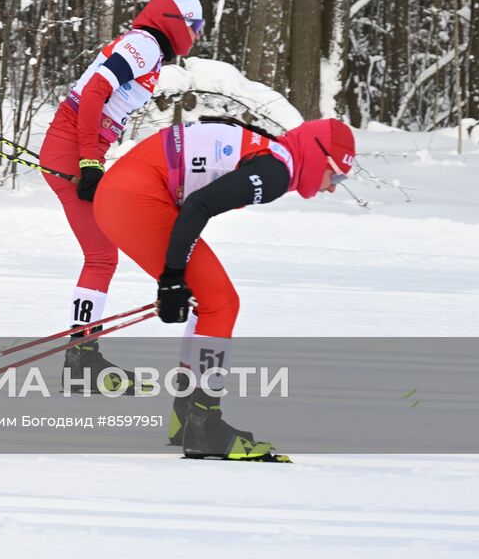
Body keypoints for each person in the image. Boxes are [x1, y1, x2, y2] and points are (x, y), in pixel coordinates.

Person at [90, 115, 356, 460]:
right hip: (135, 196)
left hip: (126, 192)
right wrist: (172, 278)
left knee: (212, 300)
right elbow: (200, 206)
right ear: (319, 157)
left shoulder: (273, 155)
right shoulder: (275, 172)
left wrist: (177, 277)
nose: (332, 186)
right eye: (335, 174)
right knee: (221, 304)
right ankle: (204, 425)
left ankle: (187, 416)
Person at [37, 0, 204, 389]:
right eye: (194, 25)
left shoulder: (146, 48)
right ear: (176, 21)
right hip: (71, 149)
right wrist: (90, 161)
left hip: (72, 147)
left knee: (101, 255)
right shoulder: (144, 44)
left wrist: (94, 155)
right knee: (101, 256)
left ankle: (82, 354)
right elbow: (95, 93)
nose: (197, 34)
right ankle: (81, 358)